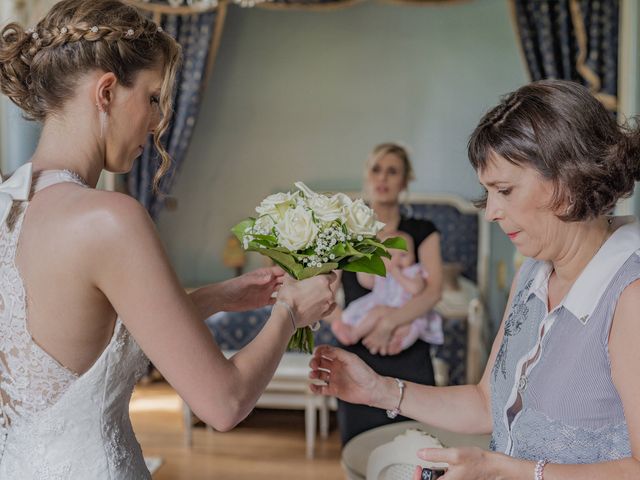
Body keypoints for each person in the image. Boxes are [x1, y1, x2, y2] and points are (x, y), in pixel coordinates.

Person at [0, 1, 337, 478]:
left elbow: (71, 347)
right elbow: (224, 402)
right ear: (108, 92)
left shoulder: (8, 205)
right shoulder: (110, 220)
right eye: (154, 98)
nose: (158, 122)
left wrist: (214, 298)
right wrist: (291, 311)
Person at [311, 79, 640, 479]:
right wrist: (378, 389)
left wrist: (501, 469)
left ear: (568, 182)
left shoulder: (630, 296)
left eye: (504, 190)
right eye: (489, 192)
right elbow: (486, 402)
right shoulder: (531, 274)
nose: (491, 213)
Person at [328, 143, 444, 445]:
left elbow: (432, 293)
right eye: (377, 169)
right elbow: (325, 292)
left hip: (407, 350)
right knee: (360, 447)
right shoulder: (347, 234)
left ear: (404, 181)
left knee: (415, 447)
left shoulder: (422, 230)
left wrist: (389, 322)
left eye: (393, 171)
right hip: (358, 355)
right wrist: (340, 325)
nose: (383, 178)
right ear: (367, 176)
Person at [332, 230, 443, 351]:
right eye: (390, 255)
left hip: (405, 310)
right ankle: (354, 332)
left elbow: (416, 289)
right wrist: (362, 264)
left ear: (413, 256)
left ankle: (394, 343)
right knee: (371, 315)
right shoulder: (383, 273)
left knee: (408, 327)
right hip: (382, 307)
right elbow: (367, 283)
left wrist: (398, 275)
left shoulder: (414, 272)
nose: (397, 260)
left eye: (403, 255)